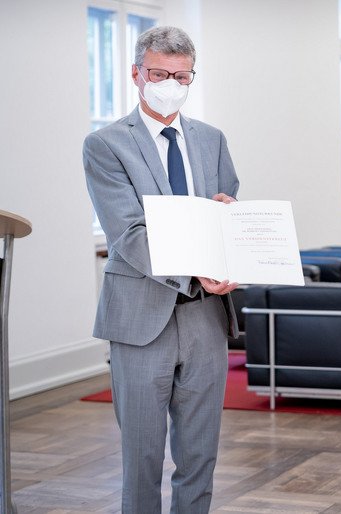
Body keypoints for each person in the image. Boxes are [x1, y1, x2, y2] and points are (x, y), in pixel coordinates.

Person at [83, 26, 239, 513]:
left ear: (192, 77)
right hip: (140, 316)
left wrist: (230, 239)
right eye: (158, 74)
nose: (170, 84)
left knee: (200, 455)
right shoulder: (106, 144)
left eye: (181, 76)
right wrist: (197, 270)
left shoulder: (211, 140)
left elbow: (225, 216)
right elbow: (128, 233)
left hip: (205, 315)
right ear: (136, 74)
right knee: (142, 457)